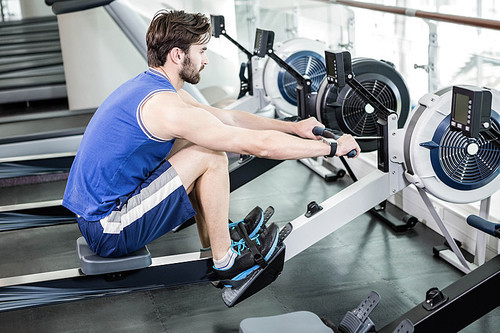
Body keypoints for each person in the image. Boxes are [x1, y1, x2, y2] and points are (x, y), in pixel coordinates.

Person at [62, 9, 360, 283]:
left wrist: (293, 127)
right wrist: (331, 149)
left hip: (98, 218)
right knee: (210, 154)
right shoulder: (166, 107)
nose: (205, 60)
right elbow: (262, 147)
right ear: (178, 55)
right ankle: (225, 259)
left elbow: (226, 117)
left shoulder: (154, 86)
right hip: (109, 228)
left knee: (198, 141)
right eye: (201, 51)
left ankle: (217, 243)